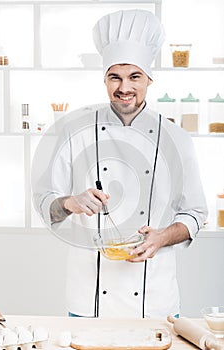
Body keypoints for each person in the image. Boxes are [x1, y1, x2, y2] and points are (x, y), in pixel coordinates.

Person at [32, 9, 207, 318]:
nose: (124, 87)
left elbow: (195, 213)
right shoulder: (74, 131)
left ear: (149, 79)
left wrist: (163, 236)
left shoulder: (177, 139)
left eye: (134, 77)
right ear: (105, 79)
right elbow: (46, 202)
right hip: (89, 300)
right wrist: (71, 202)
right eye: (115, 77)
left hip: (154, 300)